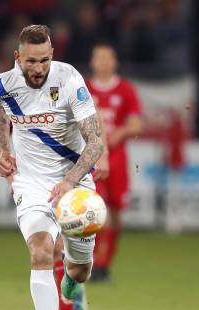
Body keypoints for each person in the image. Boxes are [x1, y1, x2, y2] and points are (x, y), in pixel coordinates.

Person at [0, 25, 105, 310]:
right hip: (31, 182)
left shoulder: (69, 80)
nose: (38, 68)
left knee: (80, 271)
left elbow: (96, 141)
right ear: (17, 58)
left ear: (52, 55)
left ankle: (73, 279)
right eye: (31, 61)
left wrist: (70, 182)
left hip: (75, 181)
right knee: (40, 251)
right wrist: (3, 152)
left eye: (44, 60)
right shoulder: (1, 84)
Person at [86, 42, 143, 282]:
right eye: (99, 58)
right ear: (92, 62)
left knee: (117, 211)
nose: (103, 63)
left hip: (118, 157)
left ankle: (106, 264)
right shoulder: (84, 88)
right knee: (94, 210)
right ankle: (93, 263)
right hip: (91, 157)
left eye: (107, 58)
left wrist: (115, 136)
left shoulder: (126, 89)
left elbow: (136, 124)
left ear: (114, 62)